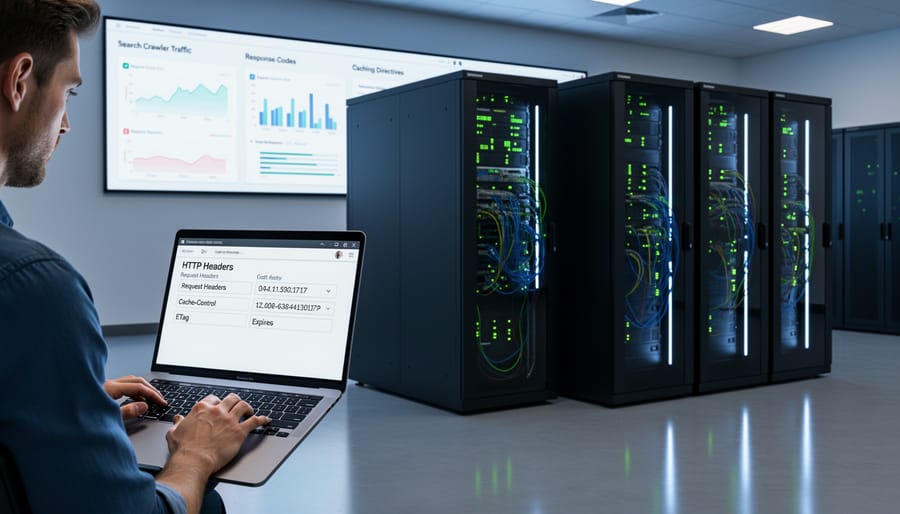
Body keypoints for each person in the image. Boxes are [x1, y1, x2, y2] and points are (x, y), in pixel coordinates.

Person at [0, 1, 270, 513]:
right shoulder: (36, 288)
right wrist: (194, 455)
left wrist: (61, 400)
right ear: (20, 80)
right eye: (69, 92)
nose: (66, 125)